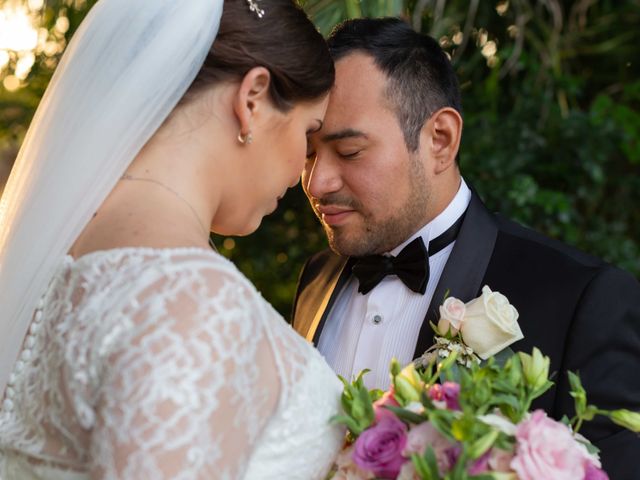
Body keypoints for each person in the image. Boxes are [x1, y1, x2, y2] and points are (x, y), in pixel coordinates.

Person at [0, 0, 345, 478]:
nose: (301, 174)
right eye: (307, 138)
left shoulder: (57, 254)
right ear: (252, 99)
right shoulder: (191, 300)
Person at [293, 17, 640, 478]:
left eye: (350, 151)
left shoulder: (581, 299)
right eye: (308, 152)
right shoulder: (316, 279)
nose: (317, 182)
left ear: (440, 140)